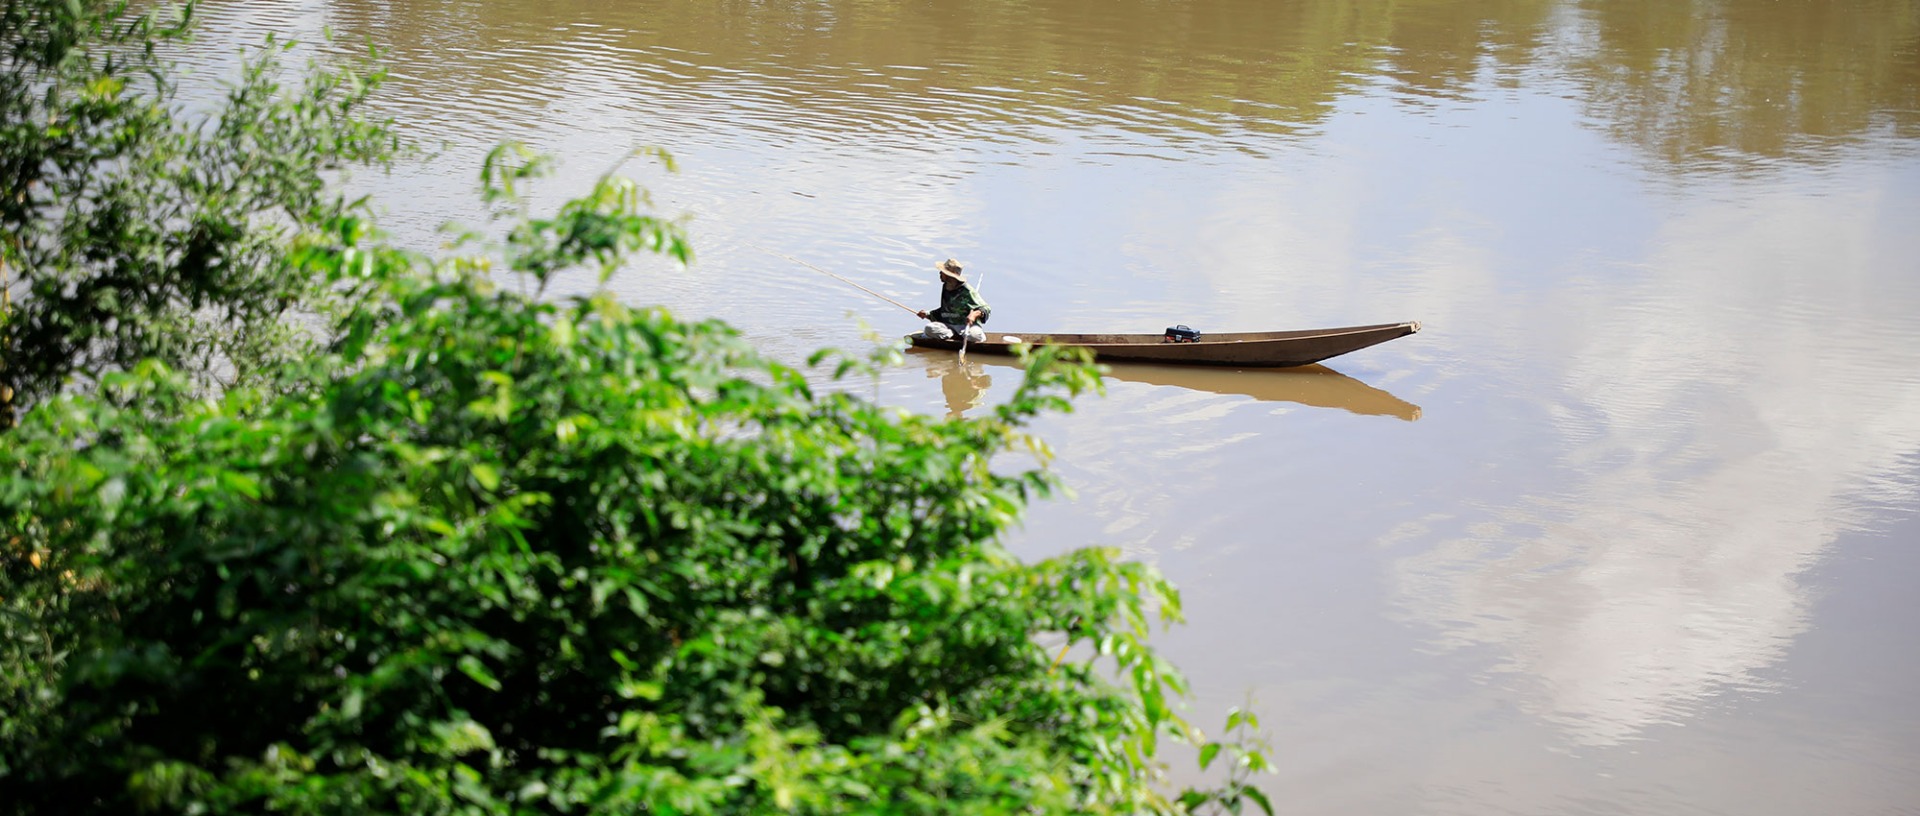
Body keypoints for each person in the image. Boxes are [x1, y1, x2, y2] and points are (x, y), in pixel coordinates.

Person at [916, 258, 990, 343]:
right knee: (929, 328)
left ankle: (962, 336)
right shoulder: (946, 287)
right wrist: (927, 314)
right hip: (948, 326)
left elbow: (986, 308)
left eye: (942, 272)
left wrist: (974, 315)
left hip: (965, 326)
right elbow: (945, 310)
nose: (940, 273)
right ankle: (955, 336)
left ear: (949, 275)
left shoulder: (967, 291)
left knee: (974, 336)